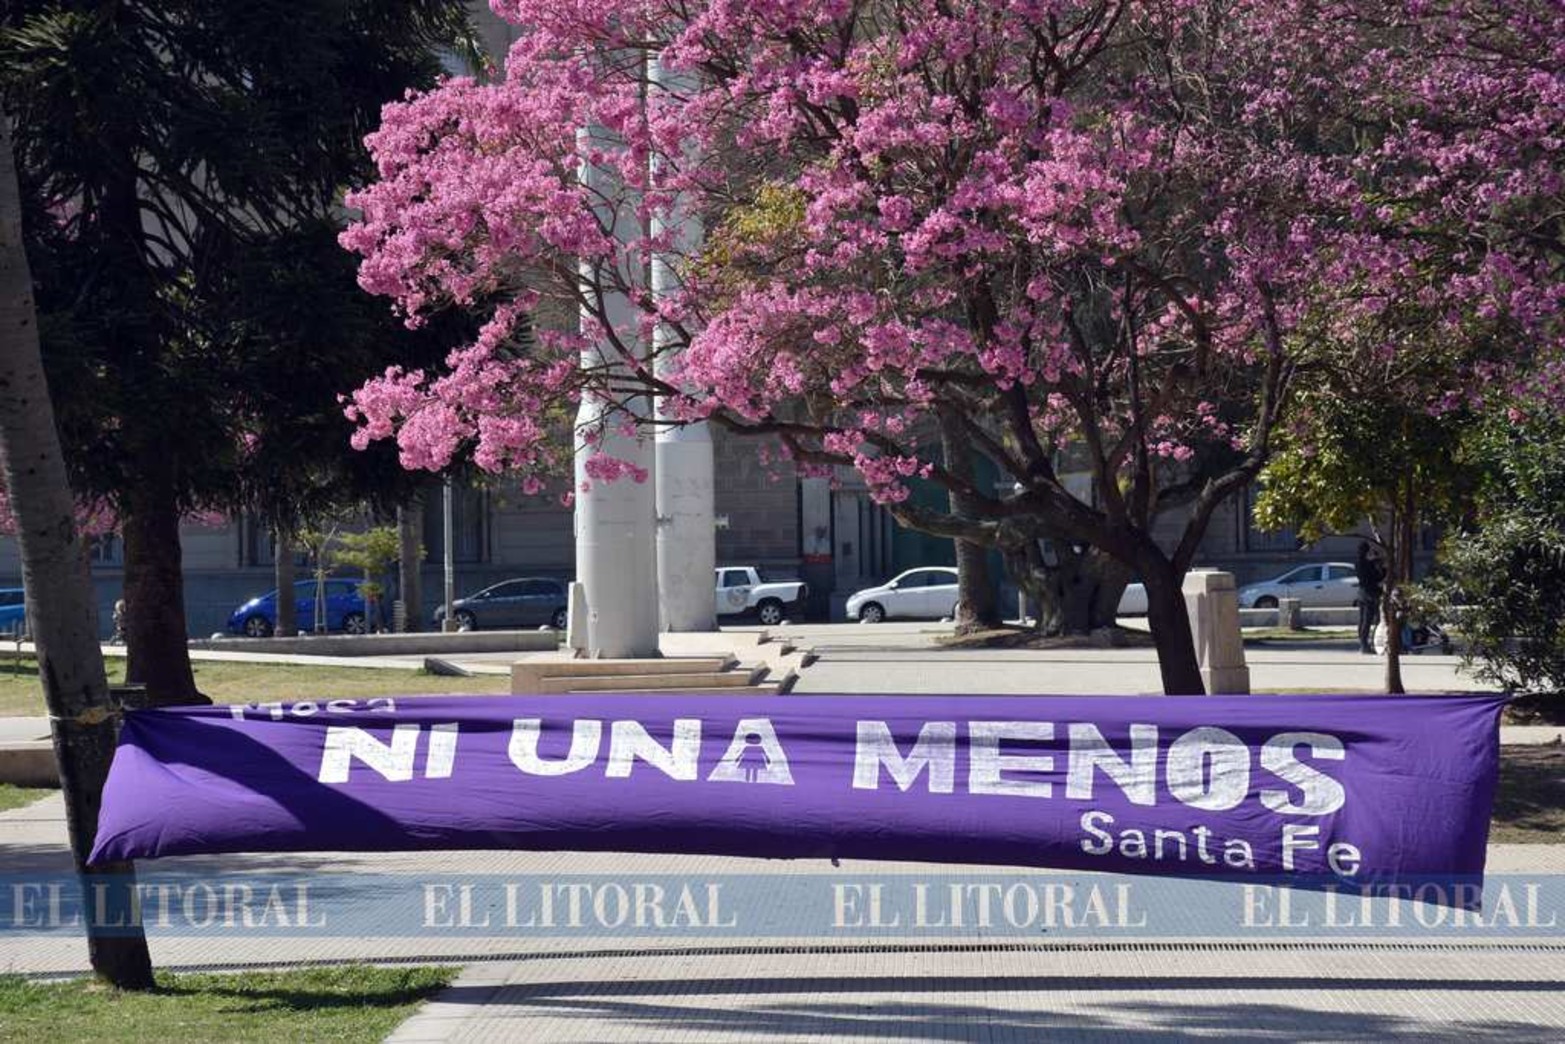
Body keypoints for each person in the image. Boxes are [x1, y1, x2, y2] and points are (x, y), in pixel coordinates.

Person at [1354, 541, 1384, 655]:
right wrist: (1381, 568)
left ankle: (1363, 643)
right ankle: (1367, 644)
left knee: (1362, 620)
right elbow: (1377, 577)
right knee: (1369, 620)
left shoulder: (1358, 563)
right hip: (1370, 594)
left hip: (1362, 593)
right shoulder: (1367, 565)